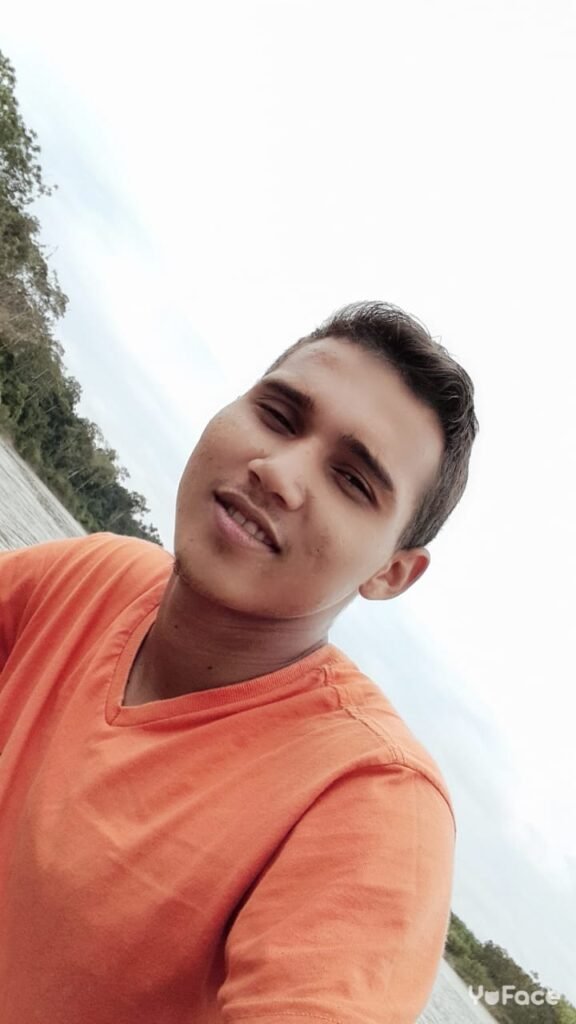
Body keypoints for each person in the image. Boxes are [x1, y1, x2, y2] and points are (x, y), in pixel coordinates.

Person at [0, 301, 478, 1024]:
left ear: (391, 573)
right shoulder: (89, 577)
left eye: (352, 481)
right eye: (278, 416)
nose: (278, 474)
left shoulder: (372, 803)